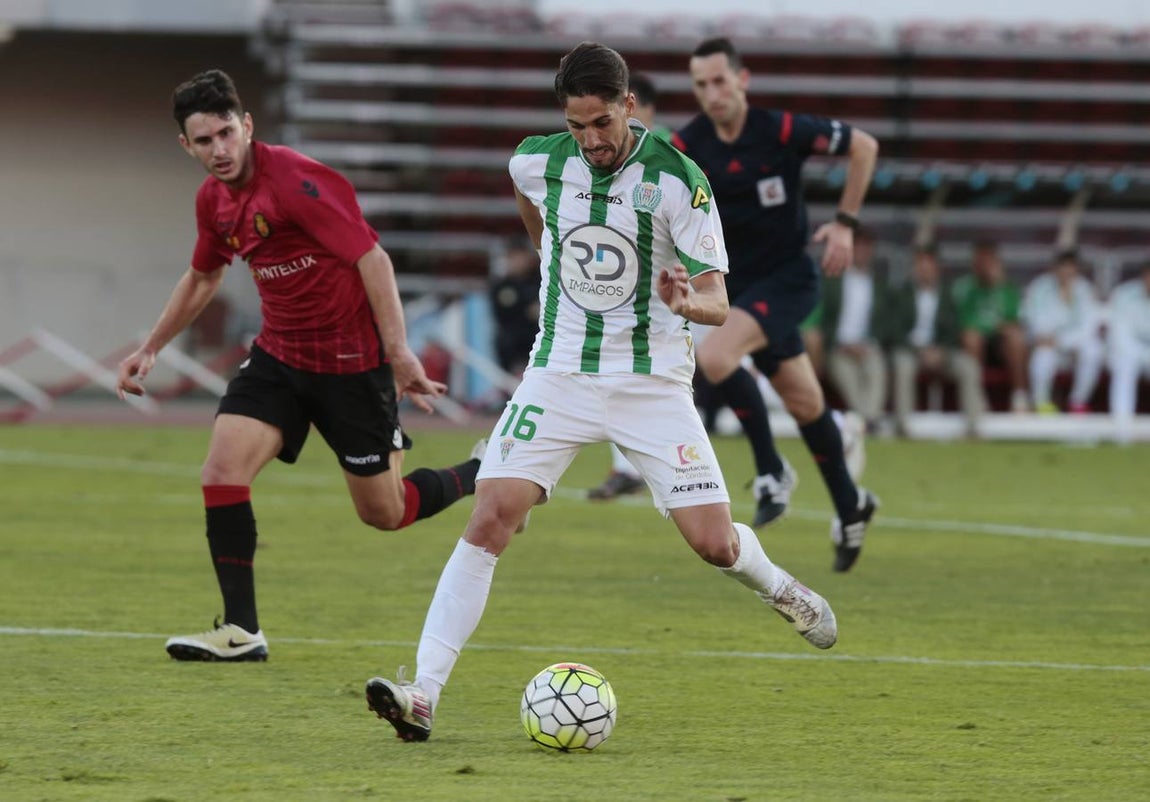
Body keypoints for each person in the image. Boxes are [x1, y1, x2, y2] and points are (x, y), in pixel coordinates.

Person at [365, 42, 839, 743]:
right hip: (558, 371)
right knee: (491, 517)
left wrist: (686, 302)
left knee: (712, 544)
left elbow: (718, 298)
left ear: (629, 106)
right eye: (577, 125)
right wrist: (548, 253)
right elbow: (534, 206)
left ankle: (779, 587)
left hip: (650, 383)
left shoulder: (679, 180)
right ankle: (423, 694)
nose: (590, 141)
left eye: (602, 124)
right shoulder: (536, 159)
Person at [115, 69, 482, 662]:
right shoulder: (214, 200)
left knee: (385, 513)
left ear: (247, 125)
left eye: (227, 134)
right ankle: (241, 631)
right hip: (279, 359)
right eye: (204, 141)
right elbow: (205, 274)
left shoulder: (297, 182)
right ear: (187, 145)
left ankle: (482, 472)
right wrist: (152, 346)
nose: (219, 150)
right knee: (220, 472)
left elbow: (373, 259)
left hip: (351, 367)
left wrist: (399, 352)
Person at [676, 36, 879, 571]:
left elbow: (865, 146)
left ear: (743, 80)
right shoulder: (689, 143)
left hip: (789, 279)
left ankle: (771, 470)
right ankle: (851, 506)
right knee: (806, 404)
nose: (712, 93)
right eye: (701, 85)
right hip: (740, 289)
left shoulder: (780, 129)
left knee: (715, 358)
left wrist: (845, 224)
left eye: (720, 81)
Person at [586, 72, 664, 501]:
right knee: (621, 367)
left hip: (672, 287)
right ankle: (627, 467)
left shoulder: (665, 152)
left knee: (724, 371)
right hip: (639, 286)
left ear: (636, 107)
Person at [888, 244, 985, 438]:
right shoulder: (901, 294)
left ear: (937, 268)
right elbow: (894, 331)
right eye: (920, 265)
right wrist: (919, 351)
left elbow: (953, 330)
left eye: (928, 265)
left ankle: (974, 426)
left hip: (942, 352)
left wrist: (941, 351)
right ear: (914, 268)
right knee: (902, 365)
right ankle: (902, 425)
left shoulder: (948, 294)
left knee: (968, 366)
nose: (924, 270)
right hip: (912, 351)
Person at [822, 228, 890, 432]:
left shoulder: (879, 285)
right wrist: (840, 344)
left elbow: (884, 322)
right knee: (847, 375)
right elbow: (823, 318)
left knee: (877, 367)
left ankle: (868, 420)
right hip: (838, 348)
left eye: (866, 246)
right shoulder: (833, 280)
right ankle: (868, 421)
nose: (862, 251)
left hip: (868, 346)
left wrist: (868, 343)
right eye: (858, 246)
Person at [1020, 249, 1104, 414]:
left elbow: (1088, 327)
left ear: (1076, 269)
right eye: (1062, 267)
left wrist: (1062, 340)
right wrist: (1046, 337)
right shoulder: (1039, 287)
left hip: (1073, 348)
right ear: (1054, 268)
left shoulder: (1085, 289)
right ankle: (1041, 403)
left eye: (1070, 267)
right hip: (1047, 344)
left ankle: (1078, 402)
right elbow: (1033, 319)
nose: (1066, 271)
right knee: (1042, 356)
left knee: (1094, 350)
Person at [951, 239, 1029, 412]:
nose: (984, 265)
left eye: (988, 260)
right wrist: (993, 326)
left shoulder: (1007, 287)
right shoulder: (964, 287)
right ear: (974, 263)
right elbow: (963, 321)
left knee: (1015, 337)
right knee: (972, 337)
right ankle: (977, 399)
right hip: (974, 345)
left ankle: (1019, 398)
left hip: (1000, 346)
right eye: (981, 261)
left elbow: (1013, 320)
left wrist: (998, 287)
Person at [1107, 262, 1150, 444]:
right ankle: (1122, 432)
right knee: (1125, 365)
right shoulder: (1123, 295)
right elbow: (1120, 336)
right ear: (1143, 276)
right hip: (1125, 351)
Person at [489, 238, 541, 379]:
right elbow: (503, 316)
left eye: (520, 256)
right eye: (512, 257)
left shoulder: (540, 280)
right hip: (513, 348)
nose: (517, 261)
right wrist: (528, 312)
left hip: (538, 344)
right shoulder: (502, 286)